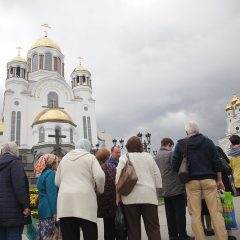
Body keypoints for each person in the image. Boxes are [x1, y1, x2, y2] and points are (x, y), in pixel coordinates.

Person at [172, 120, 227, 240]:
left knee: (195, 215)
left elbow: (174, 165)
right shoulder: (208, 142)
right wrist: (219, 180)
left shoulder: (181, 144)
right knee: (216, 213)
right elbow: (217, 163)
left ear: (186, 132)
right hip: (209, 180)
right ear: (198, 131)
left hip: (191, 183)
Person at [55, 139, 105, 240]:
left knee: (69, 236)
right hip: (85, 201)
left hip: (65, 203)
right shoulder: (90, 158)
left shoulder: (64, 159)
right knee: (89, 234)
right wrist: (100, 190)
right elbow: (100, 176)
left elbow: (56, 181)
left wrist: (67, 187)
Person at [116, 136, 161, 240]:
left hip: (130, 198)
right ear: (141, 146)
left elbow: (118, 179)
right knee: (153, 229)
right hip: (149, 196)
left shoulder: (124, 157)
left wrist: (118, 197)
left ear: (127, 147)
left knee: (133, 230)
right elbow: (157, 176)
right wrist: (156, 193)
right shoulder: (149, 157)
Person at [155, 138, 193, 240]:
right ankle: (182, 236)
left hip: (164, 190)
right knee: (180, 214)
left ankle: (173, 235)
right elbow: (177, 168)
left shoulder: (156, 157)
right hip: (176, 189)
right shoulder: (171, 154)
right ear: (169, 144)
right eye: (171, 146)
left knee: (170, 214)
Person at [0, 142, 31, 240]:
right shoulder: (15, 163)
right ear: (14, 151)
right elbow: (19, 186)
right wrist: (25, 205)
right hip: (14, 213)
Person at [34, 153, 59, 240]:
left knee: (43, 235)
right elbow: (52, 194)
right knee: (49, 236)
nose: (58, 163)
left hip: (42, 209)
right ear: (52, 163)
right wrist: (55, 212)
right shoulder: (51, 174)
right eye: (56, 161)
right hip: (49, 211)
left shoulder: (43, 174)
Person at [96, 148, 117, 240]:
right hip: (112, 199)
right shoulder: (111, 167)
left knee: (108, 224)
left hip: (103, 199)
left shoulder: (99, 168)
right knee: (110, 225)